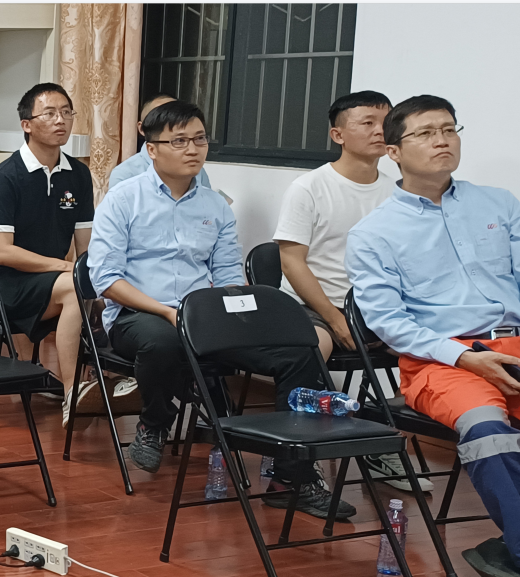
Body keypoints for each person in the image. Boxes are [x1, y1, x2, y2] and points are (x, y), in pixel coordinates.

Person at [347, 95, 520, 577]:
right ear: (393, 151)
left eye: (449, 129)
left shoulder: (499, 204)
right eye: (426, 133)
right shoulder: (373, 233)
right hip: (442, 361)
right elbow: (389, 322)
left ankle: (509, 551)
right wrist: (466, 358)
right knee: (489, 434)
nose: (442, 140)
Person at [88, 99, 353, 519]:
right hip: (140, 314)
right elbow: (105, 278)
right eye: (179, 141)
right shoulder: (123, 199)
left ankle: (291, 478)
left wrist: (242, 313)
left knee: (299, 351)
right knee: (164, 340)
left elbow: (228, 273)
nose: (193, 149)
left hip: (207, 317)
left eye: (199, 139)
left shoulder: (214, 205)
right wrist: (166, 311)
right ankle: (155, 422)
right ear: (152, 149)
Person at [273, 90, 427, 492]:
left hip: (374, 307)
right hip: (311, 306)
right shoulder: (309, 187)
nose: (380, 131)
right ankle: (293, 468)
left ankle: (380, 443)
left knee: (432, 344)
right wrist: (334, 316)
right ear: (338, 135)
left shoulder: (398, 192)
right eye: (367, 123)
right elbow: (291, 262)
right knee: (314, 348)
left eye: (386, 123)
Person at [0, 83, 93, 413]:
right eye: (50, 113)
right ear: (26, 124)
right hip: (3, 283)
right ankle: (73, 392)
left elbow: (85, 245)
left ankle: (103, 382)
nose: (61, 120)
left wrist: (97, 276)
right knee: (74, 285)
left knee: (98, 284)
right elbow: (2, 253)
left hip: (50, 279)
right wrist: (66, 267)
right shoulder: (6, 176)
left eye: (67, 112)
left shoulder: (78, 174)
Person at [108, 93, 217, 192]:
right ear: (142, 128)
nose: (192, 150)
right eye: (179, 140)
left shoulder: (196, 170)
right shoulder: (125, 174)